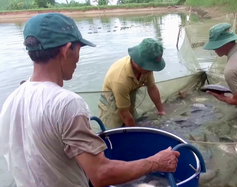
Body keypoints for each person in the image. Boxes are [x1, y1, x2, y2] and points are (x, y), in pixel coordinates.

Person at [0, 13, 180, 187]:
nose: (78, 58)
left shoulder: (11, 101)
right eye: (78, 49)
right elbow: (100, 174)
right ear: (66, 49)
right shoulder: (67, 103)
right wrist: (155, 162)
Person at [99, 38, 166, 129]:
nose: (151, 69)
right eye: (150, 66)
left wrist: (161, 110)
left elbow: (152, 87)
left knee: (131, 120)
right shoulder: (120, 80)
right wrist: (136, 133)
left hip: (127, 101)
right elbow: (124, 113)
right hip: (111, 107)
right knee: (116, 131)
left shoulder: (146, 70)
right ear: (139, 62)